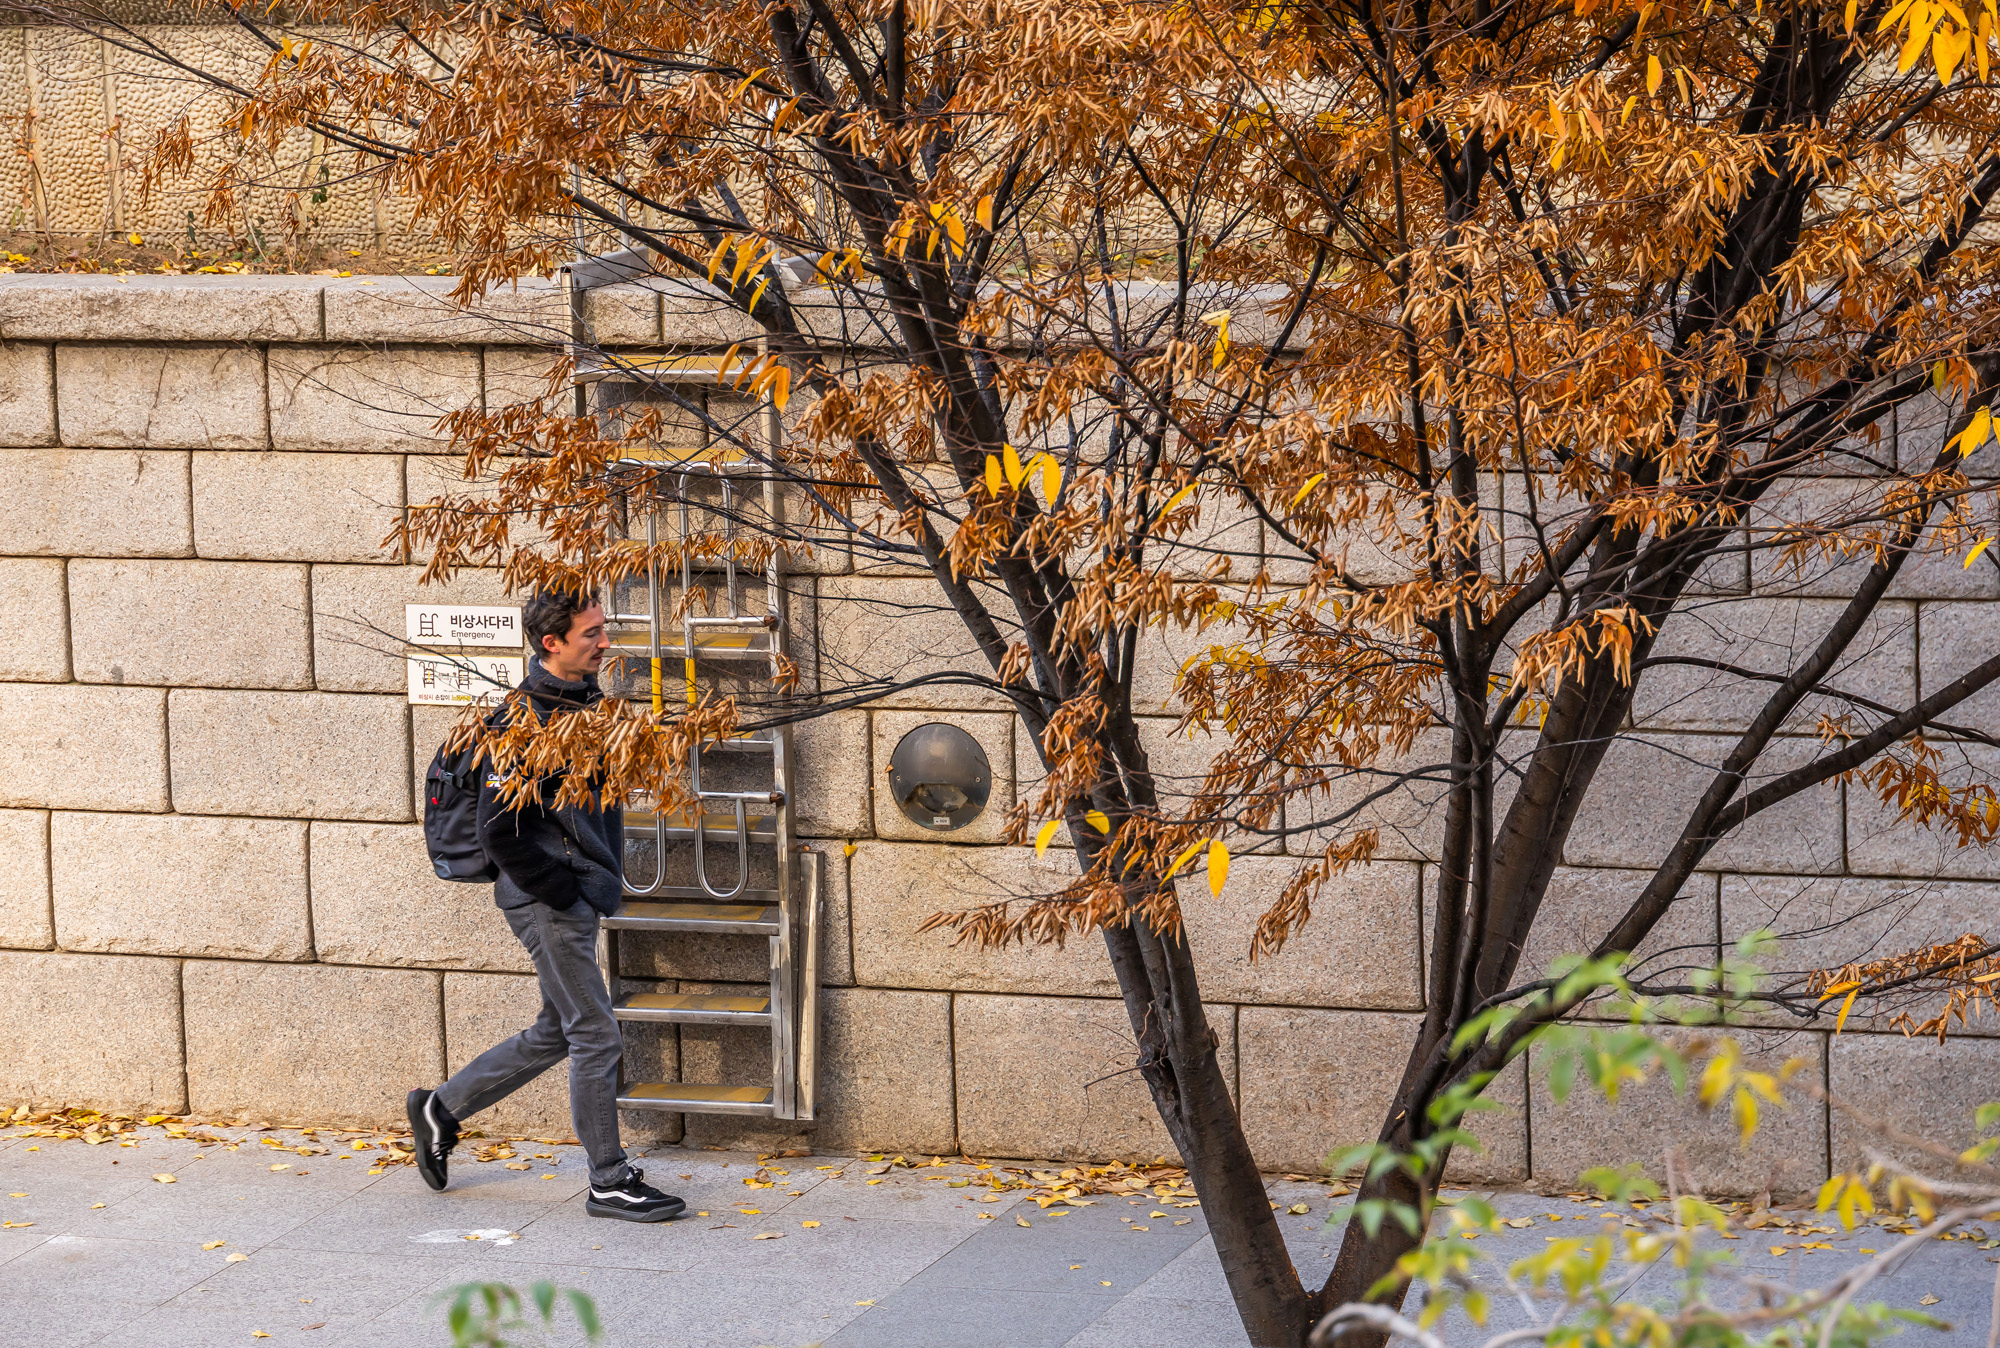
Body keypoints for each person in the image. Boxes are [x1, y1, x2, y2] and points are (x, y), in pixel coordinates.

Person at [405, 589, 685, 1223]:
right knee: (595, 1032)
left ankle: (439, 1109)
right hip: (545, 900)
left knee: (558, 1030)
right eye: (592, 633)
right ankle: (610, 1180)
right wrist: (562, 889)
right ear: (552, 643)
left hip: (572, 894)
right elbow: (496, 829)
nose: (606, 641)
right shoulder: (522, 722)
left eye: (604, 629)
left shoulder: (586, 708)